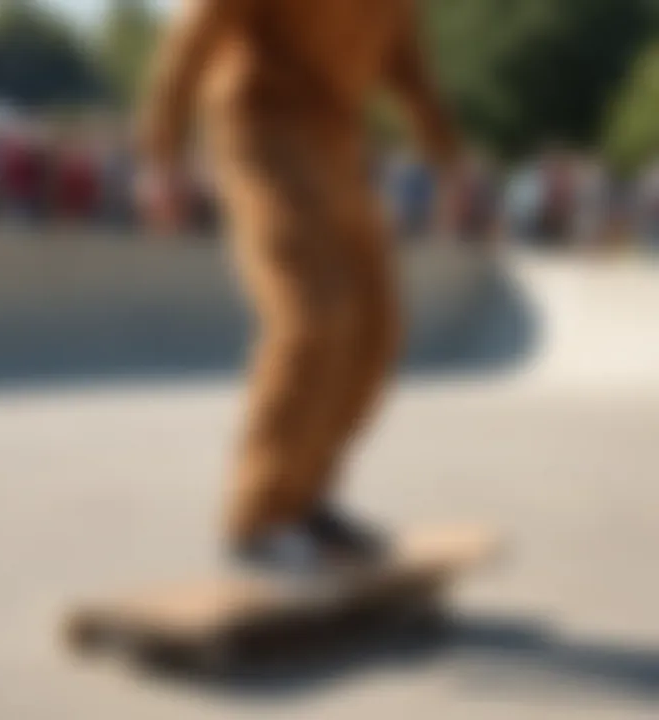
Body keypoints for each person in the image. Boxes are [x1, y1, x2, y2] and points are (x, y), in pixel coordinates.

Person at [135, 0, 462, 573]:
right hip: (259, 123)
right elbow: (198, 31)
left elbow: (408, 65)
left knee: (375, 328)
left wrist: (447, 159)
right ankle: (257, 519)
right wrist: (163, 151)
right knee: (316, 313)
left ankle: (306, 496)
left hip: (335, 137)